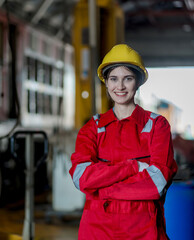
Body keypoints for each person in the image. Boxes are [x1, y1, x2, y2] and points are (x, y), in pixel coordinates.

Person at [69, 44, 178, 240]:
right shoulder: (92, 128)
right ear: (106, 83)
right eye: (114, 79)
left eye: (127, 78)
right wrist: (133, 167)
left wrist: (103, 189)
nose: (119, 87)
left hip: (144, 232)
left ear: (137, 83)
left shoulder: (157, 126)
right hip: (96, 232)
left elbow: (157, 183)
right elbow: (81, 178)